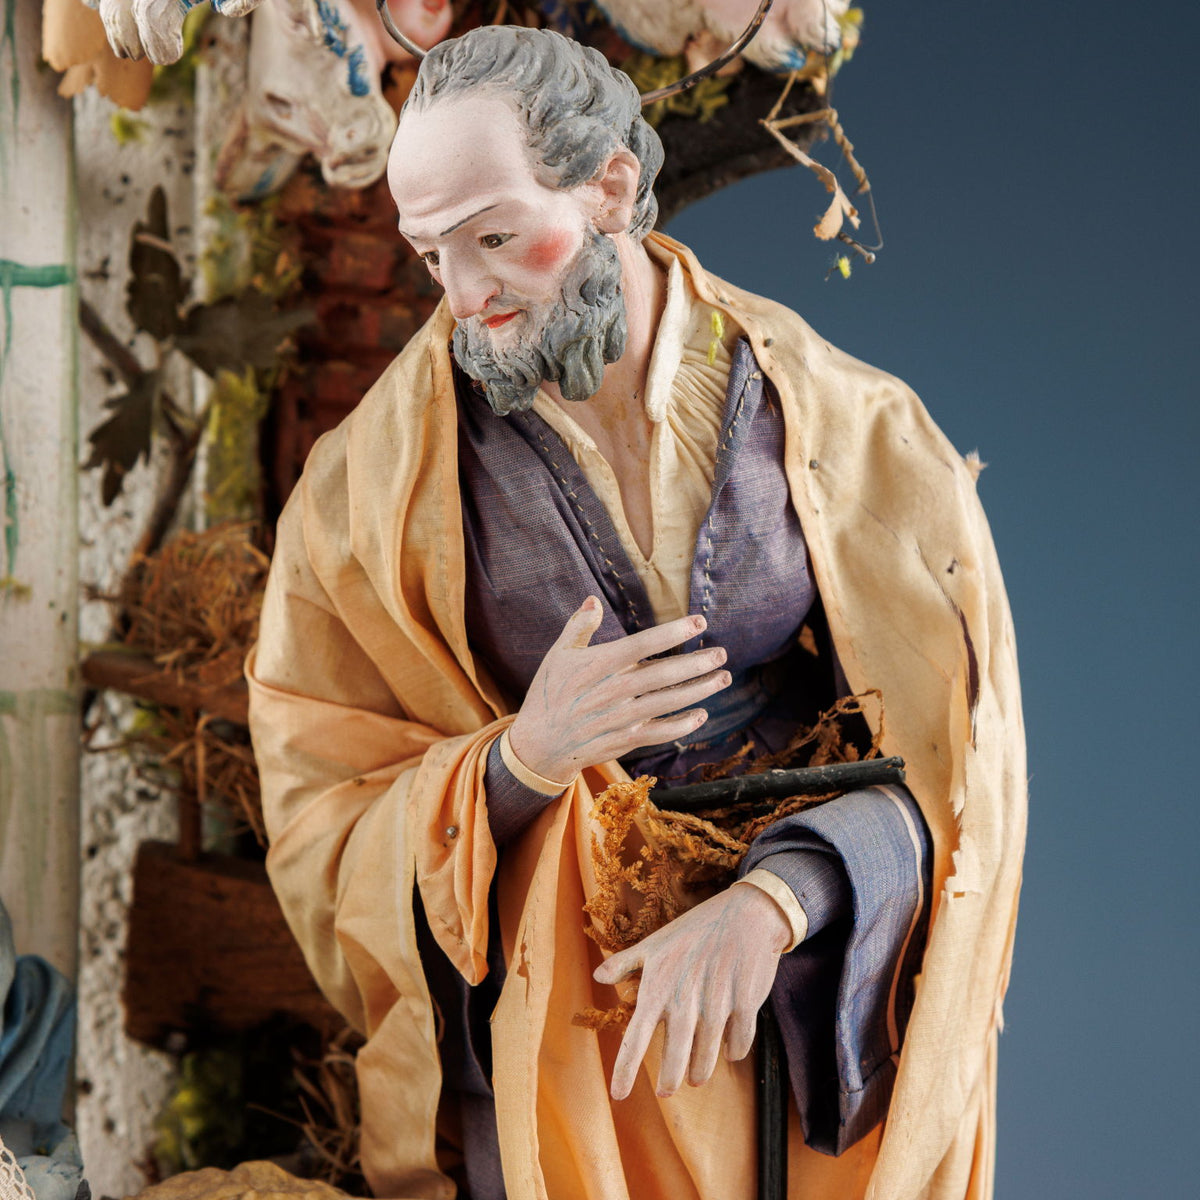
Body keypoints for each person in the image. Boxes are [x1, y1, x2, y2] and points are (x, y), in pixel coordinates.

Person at [247, 24, 1026, 1200]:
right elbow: (324, 805)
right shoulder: (369, 495)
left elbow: (956, 774)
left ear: (610, 187)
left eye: (494, 237)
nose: (464, 294)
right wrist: (518, 763)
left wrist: (783, 900)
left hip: (797, 1001)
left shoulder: (845, 428)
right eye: (430, 254)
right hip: (569, 1026)